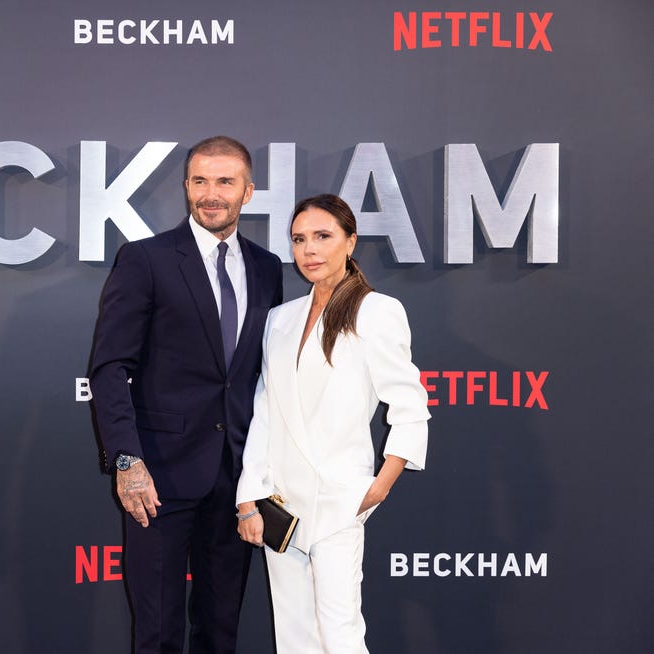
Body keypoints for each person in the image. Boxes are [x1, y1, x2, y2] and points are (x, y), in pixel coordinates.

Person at [89, 136, 284, 653]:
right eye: (200, 181)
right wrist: (127, 459)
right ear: (186, 187)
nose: (211, 194)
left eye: (225, 182)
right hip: (159, 475)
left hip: (237, 480)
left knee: (221, 630)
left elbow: (261, 374)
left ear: (248, 190)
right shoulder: (145, 259)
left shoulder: (267, 267)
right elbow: (110, 367)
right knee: (158, 631)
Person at [235, 194, 429, 653]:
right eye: (299, 239)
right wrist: (249, 497)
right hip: (281, 503)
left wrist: (380, 484)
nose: (310, 250)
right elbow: (265, 411)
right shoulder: (280, 320)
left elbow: (409, 403)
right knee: (294, 634)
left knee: (340, 633)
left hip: (340, 499)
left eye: (323, 237)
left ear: (350, 241)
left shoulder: (376, 310)